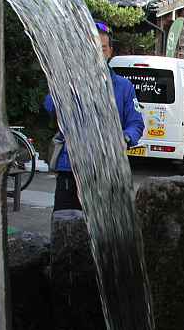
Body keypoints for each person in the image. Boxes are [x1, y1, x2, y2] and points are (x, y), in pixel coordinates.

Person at [44, 21, 144, 211]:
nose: (97, 53)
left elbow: (136, 123)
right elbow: (50, 106)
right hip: (71, 167)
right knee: (65, 223)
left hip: (108, 169)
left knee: (105, 233)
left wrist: (125, 137)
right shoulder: (71, 81)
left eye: (103, 48)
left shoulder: (123, 87)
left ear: (110, 52)